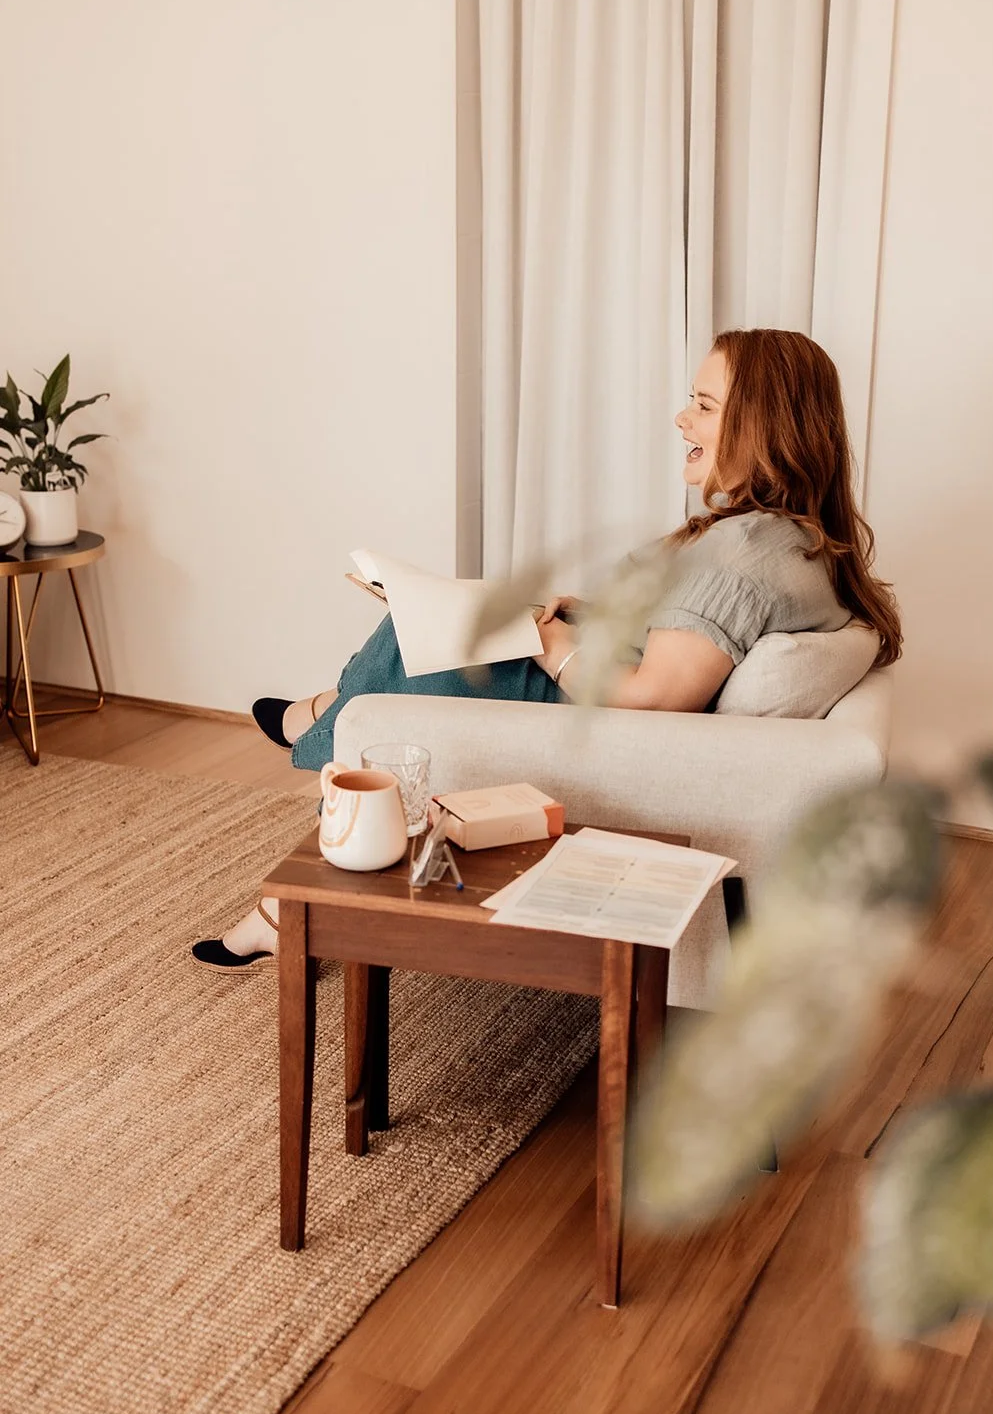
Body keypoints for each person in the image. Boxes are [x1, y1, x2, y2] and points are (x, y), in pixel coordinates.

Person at [192, 328, 901, 972]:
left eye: (705, 407)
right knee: (432, 622)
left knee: (408, 652)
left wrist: (544, 637)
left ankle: (309, 772)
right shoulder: (791, 538)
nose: (682, 420)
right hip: (595, 680)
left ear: (764, 426)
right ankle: (319, 717)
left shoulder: (744, 550)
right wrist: (587, 616)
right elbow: (693, 635)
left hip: (594, 718)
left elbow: (654, 696)